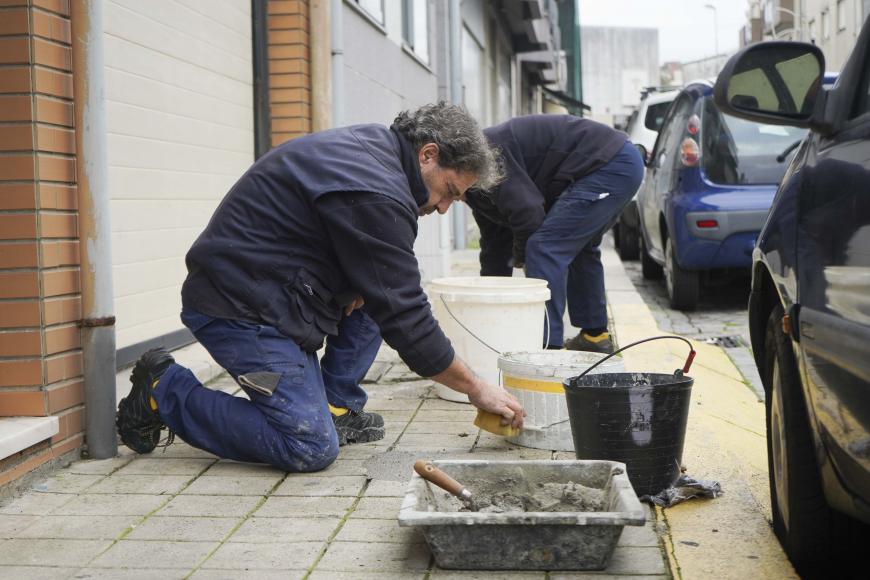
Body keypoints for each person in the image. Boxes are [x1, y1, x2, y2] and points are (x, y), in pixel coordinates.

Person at [115, 103, 526, 472]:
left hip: (276, 290)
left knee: (376, 293)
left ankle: (334, 404)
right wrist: (476, 388)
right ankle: (164, 389)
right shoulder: (375, 190)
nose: (442, 207)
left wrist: (354, 284)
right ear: (428, 154)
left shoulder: (377, 153)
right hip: (238, 309)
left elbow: (375, 273)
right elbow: (408, 320)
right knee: (308, 445)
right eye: (449, 192)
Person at [465, 114, 644, 353]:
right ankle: (594, 337)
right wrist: (490, 307)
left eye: (441, 198)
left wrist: (524, 256)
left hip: (610, 165)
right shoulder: (476, 188)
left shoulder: (489, 158)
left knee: (544, 247)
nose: (444, 206)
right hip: (613, 164)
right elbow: (494, 247)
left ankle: (546, 348)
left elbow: (529, 214)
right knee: (577, 247)